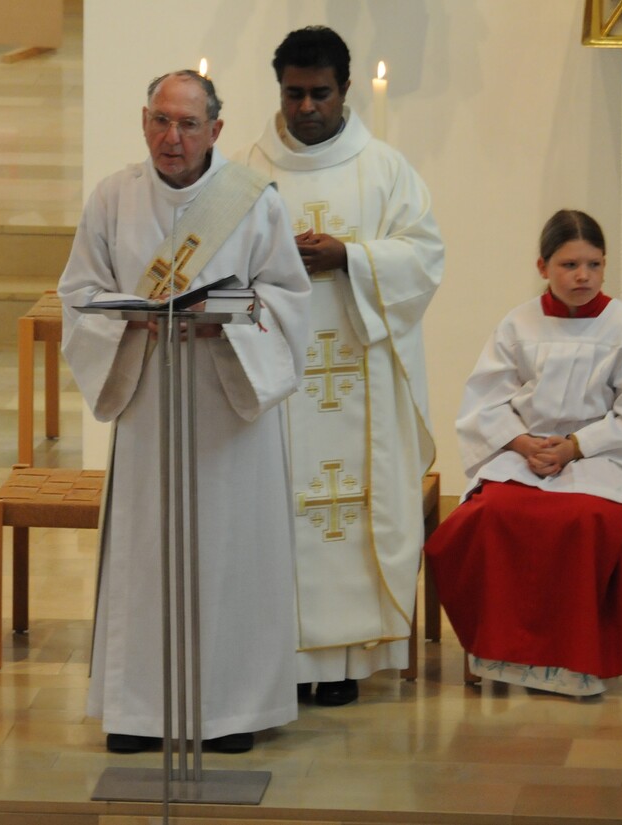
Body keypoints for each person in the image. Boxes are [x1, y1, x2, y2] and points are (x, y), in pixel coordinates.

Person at [58, 70, 310, 753]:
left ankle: (230, 711)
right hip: (150, 396)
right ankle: (137, 711)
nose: (172, 137)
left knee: (231, 552)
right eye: (161, 121)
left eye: (189, 124)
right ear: (144, 121)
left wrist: (228, 321)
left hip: (228, 401)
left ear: (215, 130)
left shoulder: (253, 201)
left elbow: (288, 297)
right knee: (146, 553)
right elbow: (80, 292)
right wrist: (129, 321)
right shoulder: (113, 198)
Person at [233, 26, 444, 706]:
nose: (306, 108)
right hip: (280, 382)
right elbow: (221, 260)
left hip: (362, 376)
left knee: (351, 513)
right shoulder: (246, 171)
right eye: (293, 94)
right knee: (280, 513)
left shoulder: (384, 169)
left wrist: (350, 257)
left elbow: (425, 257)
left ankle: (347, 660)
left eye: (319, 93)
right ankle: (281, 655)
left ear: (345, 89)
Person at [423, 209, 622, 696]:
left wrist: (576, 446)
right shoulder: (518, 324)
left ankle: (573, 660)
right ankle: (502, 651)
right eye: (569, 265)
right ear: (543, 267)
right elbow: (485, 402)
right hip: (527, 452)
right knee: (490, 514)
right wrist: (521, 442)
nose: (583, 276)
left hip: (602, 457)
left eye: (594, 264)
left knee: (582, 519)